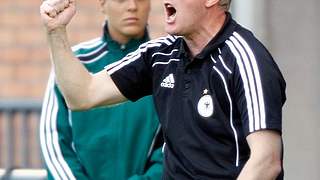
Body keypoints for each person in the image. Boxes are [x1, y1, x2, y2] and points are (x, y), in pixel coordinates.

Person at [40, 0, 286, 179]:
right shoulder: (160, 54)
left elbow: (266, 162)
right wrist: (56, 31)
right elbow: (82, 95)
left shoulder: (246, 58)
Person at [39, 0, 163, 179]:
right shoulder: (73, 61)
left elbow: (173, 148)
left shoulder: (167, 64)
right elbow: (54, 141)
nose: (132, 6)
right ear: (102, 4)